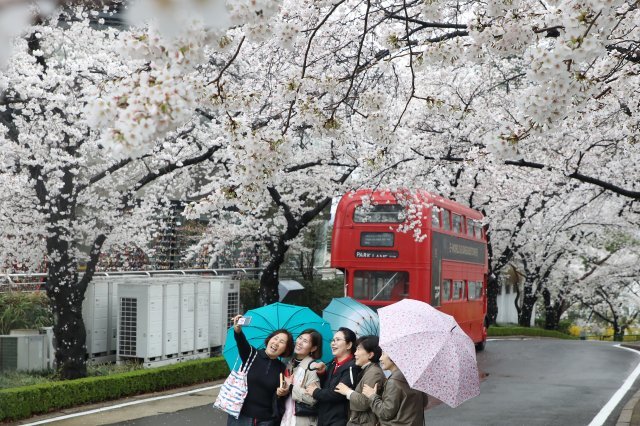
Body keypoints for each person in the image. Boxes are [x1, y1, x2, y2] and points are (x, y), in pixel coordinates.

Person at [228, 314, 294, 426]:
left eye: (282, 342)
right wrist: (238, 330)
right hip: (241, 416)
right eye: (275, 338)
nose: (276, 343)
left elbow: (280, 396)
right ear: (269, 340)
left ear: (286, 349)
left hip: (266, 420)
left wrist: (282, 393)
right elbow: (241, 342)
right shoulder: (251, 354)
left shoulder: (282, 368)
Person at [306, 327, 361, 426]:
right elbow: (327, 386)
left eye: (338, 340)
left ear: (349, 345)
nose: (333, 343)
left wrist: (315, 392)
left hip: (338, 420)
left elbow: (339, 394)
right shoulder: (333, 363)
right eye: (333, 340)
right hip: (324, 417)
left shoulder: (352, 367)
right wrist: (322, 373)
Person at [362, 352, 426, 426]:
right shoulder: (411, 376)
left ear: (393, 356)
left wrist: (372, 396)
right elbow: (424, 401)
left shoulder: (393, 382)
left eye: (383, 354)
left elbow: (385, 413)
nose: (380, 358)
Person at [335, 335, 385, 426]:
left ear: (370, 354)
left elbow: (365, 402)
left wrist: (348, 392)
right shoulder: (367, 370)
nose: (355, 353)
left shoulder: (374, 373)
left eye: (358, 349)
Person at [281, 329, 324, 426]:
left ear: (313, 348)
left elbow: (312, 398)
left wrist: (291, 387)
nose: (299, 342)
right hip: (286, 417)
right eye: (300, 338)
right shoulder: (288, 363)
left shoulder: (312, 367)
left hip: (303, 421)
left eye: (305, 341)